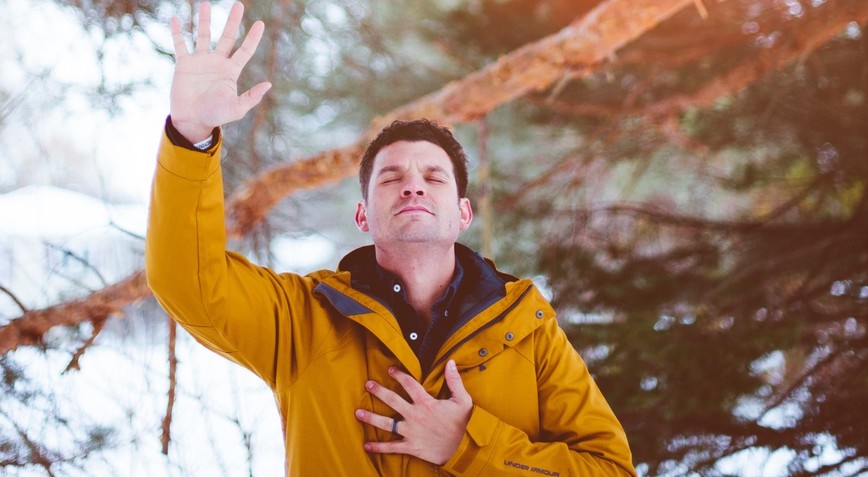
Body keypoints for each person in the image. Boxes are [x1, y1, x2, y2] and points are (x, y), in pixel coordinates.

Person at [146, 2, 636, 475]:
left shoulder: (527, 327)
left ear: (463, 212)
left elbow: (610, 471)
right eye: (391, 177)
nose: (414, 184)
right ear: (363, 214)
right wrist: (191, 136)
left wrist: (468, 447)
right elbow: (188, 282)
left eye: (435, 177)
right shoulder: (302, 319)